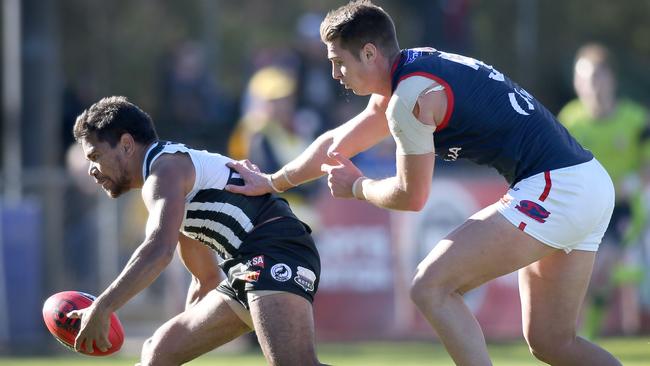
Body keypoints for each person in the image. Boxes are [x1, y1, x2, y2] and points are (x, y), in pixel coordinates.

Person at [225, 1, 621, 365]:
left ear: (369, 53)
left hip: (556, 188)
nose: (335, 74)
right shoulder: (413, 68)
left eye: (339, 62)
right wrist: (275, 181)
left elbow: (411, 196)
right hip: (587, 181)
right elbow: (335, 143)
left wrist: (356, 186)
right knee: (552, 342)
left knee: (431, 286)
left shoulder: (408, 100)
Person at [67, 96, 324, 366]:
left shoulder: (164, 172)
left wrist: (103, 307)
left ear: (127, 144)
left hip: (275, 252)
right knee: (158, 353)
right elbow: (206, 279)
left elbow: (158, 250)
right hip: (249, 265)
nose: (92, 170)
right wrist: (189, 331)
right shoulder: (169, 176)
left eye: (95, 156)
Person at [558, 43, 650, 338]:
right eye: (583, 78)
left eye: (597, 76)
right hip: (583, 210)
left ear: (611, 79)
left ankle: (584, 338)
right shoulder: (569, 120)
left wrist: (635, 181)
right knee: (584, 276)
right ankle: (577, 338)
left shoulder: (635, 121)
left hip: (623, 211)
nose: (591, 85)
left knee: (601, 266)